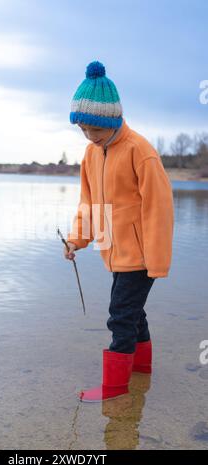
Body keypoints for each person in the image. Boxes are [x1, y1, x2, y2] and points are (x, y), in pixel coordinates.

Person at [63, 60, 174, 402]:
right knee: (132, 312)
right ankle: (141, 371)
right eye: (83, 130)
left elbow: (160, 209)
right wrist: (76, 240)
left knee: (119, 317)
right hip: (115, 251)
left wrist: (156, 263)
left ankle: (114, 389)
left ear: (111, 121)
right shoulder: (91, 154)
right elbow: (89, 204)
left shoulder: (141, 152)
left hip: (140, 255)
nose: (89, 136)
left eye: (94, 129)